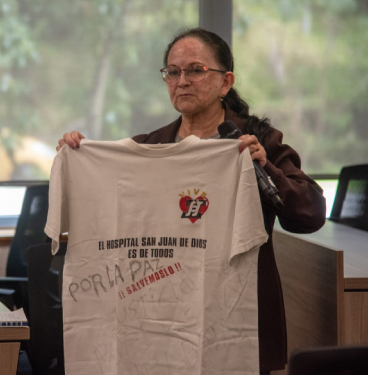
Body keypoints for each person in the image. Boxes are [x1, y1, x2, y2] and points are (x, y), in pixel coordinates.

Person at [56, 27, 327, 374]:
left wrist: (266, 167)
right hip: (163, 318)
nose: (182, 80)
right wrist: (80, 156)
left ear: (225, 82)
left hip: (239, 316)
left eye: (195, 70)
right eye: (173, 71)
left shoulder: (256, 141)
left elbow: (311, 214)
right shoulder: (151, 148)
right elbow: (108, 204)